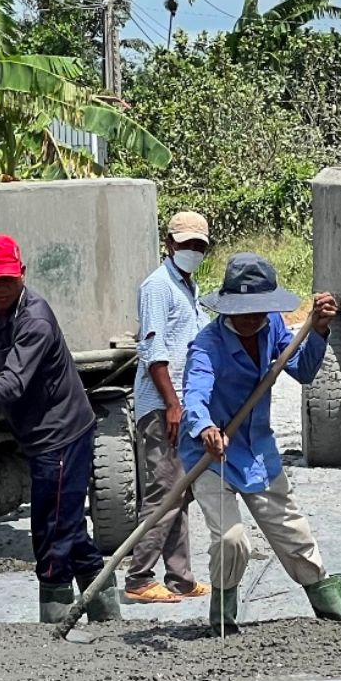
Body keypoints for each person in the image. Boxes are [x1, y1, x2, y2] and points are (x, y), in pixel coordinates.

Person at [0, 235, 121, 626]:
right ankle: (106, 611)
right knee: (66, 523)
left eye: (8, 280)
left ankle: (55, 618)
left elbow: (12, 384)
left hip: (62, 431)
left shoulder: (36, 319)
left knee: (51, 527)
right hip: (32, 431)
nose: (1, 288)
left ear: (23, 275)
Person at [180, 253, 341, 633]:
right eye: (245, 311)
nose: (253, 319)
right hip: (211, 454)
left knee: (294, 534)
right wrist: (206, 427)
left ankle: (333, 615)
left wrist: (319, 329)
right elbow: (194, 396)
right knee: (231, 539)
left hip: (256, 449)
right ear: (227, 308)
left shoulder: (272, 325)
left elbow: (303, 370)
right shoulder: (207, 345)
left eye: (260, 310)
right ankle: (223, 617)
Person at [123, 211, 213, 604]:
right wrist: (173, 405)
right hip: (162, 405)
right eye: (185, 244)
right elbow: (153, 352)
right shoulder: (157, 286)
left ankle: (180, 577)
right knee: (164, 491)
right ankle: (139, 577)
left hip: (182, 405)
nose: (191, 251)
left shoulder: (188, 288)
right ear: (169, 243)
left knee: (180, 490)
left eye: (199, 246)